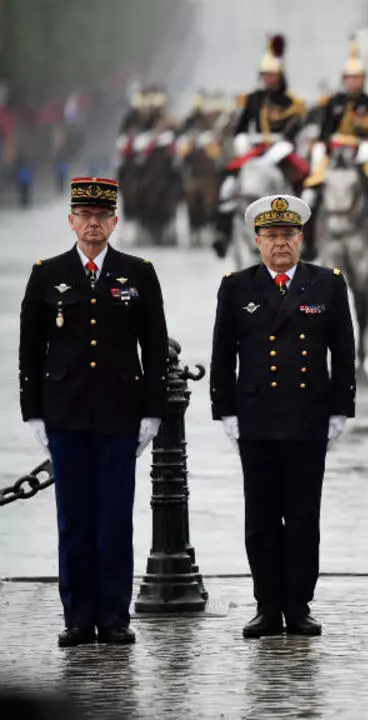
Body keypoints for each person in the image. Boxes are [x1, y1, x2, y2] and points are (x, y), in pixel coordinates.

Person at [18, 177, 168, 647]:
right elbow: (30, 351)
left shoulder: (137, 272)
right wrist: (33, 414)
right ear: (71, 221)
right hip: (65, 414)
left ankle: (114, 616)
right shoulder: (47, 273)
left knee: (114, 519)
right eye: (84, 216)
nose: (93, 225)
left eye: (101, 217)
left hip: (120, 414)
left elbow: (156, 347)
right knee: (74, 520)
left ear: (114, 222)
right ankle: (78, 617)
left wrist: (153, 412)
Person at [209, 194, 356, 638]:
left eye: (288, 236)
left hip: (307, 417)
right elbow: (221, 356)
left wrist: (340, 408)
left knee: (303, 516)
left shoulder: (327, 284)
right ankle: (266, 605)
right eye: (271, 236)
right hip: (256, 418)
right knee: (261, 517)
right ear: (257, 241)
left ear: (301, 238)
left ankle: (299, 604)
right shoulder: (237, 286)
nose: (280, 245)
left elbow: (344, 352)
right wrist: (225, 410)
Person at [302, 24, 368, 246]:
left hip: (364, 155)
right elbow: (324, 132)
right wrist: (327, 147)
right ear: (344, 79)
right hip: (336, 156)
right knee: (309, 196)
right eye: (350, 78)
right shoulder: (333, 103)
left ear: (364, 79)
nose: (353, 82)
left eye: (357, 78)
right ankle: (308, 242)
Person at [213, 35, 310, 256]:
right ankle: (222, 234)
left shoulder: (291, 103)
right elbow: (241, 128)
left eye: (272, 75)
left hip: (281, 152)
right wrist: (242, 142)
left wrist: (283, 144)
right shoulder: (253, 100)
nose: (269, 79)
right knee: (228, 186)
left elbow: (293, 131)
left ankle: (306, 234)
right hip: (256, 151)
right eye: (265, 75)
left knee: (303, 185)